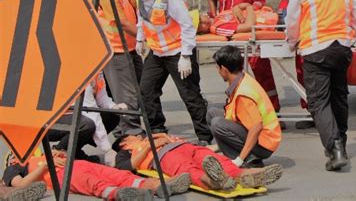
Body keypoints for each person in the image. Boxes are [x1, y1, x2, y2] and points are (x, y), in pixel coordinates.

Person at [285, 0, 356, 171]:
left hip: (315, 50)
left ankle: (334, 149)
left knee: (319, 102)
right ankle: (341, 141)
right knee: (339, 97)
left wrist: (292, 43)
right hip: (342, 47)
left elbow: (293, 21)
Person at [123, 0, 212, 145]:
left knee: (190, 95)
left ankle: (206, 137)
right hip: (157, 53)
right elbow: (142, 19)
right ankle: (157, 132)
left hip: (178, 52)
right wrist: (140, 39)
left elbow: (187, 25)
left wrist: (186, 55)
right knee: (146, 92)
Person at [206, 0, 281, 113]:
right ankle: (240, 111)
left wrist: (247, 8)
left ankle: (273, 110)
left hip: (250, 32)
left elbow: (260, 1)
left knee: (262, 71)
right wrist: (214, 15)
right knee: (233, 75)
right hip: (229, 33)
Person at [114, 133, 283, 191]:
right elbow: (127, 167)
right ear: (124, 143)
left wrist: (165, 137)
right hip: (163, 156)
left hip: (185, 146)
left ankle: (245, 175)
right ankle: (214, 182)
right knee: (189, 169)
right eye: (132, 136)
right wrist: (149, 145)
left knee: (216, 160)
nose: (137, 136)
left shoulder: (152, 135)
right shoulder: (125, 153)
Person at [2, 150, 190, 200]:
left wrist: (57, 154)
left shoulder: (41, 154)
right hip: (60, 176)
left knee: (116, 174)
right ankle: (121, 195)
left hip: (78, 164)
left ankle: (157, 186)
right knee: (95, 183)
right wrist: (45, 166)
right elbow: (20, 184)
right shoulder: (15, 166)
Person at [94, 0, 143, 136]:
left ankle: (127, 128)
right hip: (115, 49)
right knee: (126, 93)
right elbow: (121, 22)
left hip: (130, 46)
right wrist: (144, 37)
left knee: (140, 88)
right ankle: (131, 133)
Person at [207, 46, 282, 168]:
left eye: (217, 68)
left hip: (264, 143)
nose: (217, 71)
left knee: (217, 123)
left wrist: (239, 159)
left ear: (224, 69)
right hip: (260, 135)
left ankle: (243, 160)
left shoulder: (243, 93)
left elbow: (256, 127)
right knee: (212, 113)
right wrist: (217, 146)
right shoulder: (243, 78)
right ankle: (248, 156)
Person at [271, 0, 313, 129]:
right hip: (295, 27)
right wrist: (279, 14)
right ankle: (308, 110)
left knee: (310, 70)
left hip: (309, 28)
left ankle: (316, 111)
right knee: (300, 69)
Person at [82, 71, 127, 166]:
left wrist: (114, 106)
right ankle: (62, 150)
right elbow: (92, 113)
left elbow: (102, 97)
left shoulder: (97, 69)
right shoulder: (82, 70)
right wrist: (107, 149)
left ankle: (75, 152)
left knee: (111, 116)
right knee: (89, 125)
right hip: (59, 118)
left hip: (82, 113)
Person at [195, 3, 278, 36]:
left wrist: (238, 7)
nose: (204, 21)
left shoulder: (219, 16)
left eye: (200, 19)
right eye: (200, 25)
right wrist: (248, 7)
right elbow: (249, 26)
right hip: (275, 24)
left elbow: (239, 7)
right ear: (200, 32)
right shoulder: (218, 28)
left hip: (272, 16)